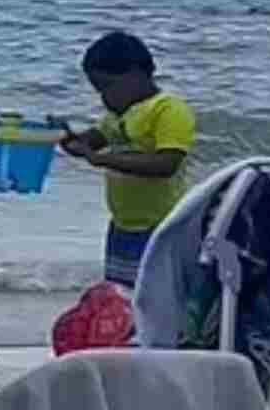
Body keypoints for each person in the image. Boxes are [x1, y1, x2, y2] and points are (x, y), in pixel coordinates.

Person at [56, 31, 196, 290]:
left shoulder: (167, 109)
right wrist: (70, 140)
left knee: (157, 297)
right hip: (123, 224)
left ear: (136, 75)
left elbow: (166, 164)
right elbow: (92, 141)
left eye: (108, 87)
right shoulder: (117, 116)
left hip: (162, 226)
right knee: (120, 296)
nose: (104, 98)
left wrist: (102, 160)